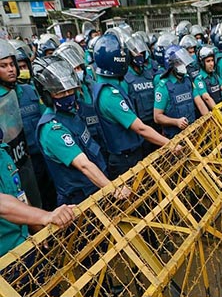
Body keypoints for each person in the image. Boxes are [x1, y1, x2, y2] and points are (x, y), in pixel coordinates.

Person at [33, 56, 131, 205]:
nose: (67, 96)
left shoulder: (73, 114)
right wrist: (114, 189)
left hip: (96, 187)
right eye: (60, 93)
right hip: (80, 200)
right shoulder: (51, 129)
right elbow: (83, 164)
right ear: (46, 95)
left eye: (70, 91)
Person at [92, 33, 176, 179]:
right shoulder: (109, 94)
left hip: (129, 154)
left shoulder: (105, 85)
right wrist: (171, 145)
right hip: (125, 160)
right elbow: (140, 128)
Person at [0, 126, 75, 257]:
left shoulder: (3, 152)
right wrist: (44, 217)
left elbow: (18, 195)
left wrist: (37, 228)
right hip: (5, 262)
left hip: (25, 246)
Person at [0, 39, 42, 209]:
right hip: (9, 167)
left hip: (29, 160)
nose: (10, 69)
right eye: (3, 65)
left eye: (12, 64)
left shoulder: (27, 90)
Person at [154, 45, 207, 139]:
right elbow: (157, 117)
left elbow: (200, 103)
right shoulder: (163, 87)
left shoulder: (187, 81)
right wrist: (176, 122)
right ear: (171, 65)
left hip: (192, 134)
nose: (183, 65)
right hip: (175, 139)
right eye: (179, 63)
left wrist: (210, 118)